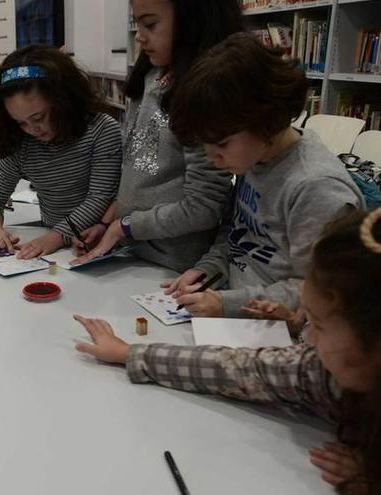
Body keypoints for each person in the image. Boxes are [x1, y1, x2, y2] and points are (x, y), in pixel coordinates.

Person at [73, 209, 381, 494]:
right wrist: (130, 353)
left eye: (321, 326)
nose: (307, 339)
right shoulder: (320, 371)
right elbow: (239, 367)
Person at [163, 33, 363, 318]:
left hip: (282, 332)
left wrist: (226, 303)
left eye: (221, 144)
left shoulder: (316, 188)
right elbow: (236, 233)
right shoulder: (254, 156)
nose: (212, 158)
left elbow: (319, 291)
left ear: (264, 119)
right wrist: (208, 270)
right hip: (236, 307)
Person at [73, 0, 242, 272]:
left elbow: (204, 206)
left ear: (193, 20)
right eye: (136, 23)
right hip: (131, 248)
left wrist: (124, 228)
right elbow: (138, 172)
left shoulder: (205, 93)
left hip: (173, 264)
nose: (139, 35)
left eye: (150, 24)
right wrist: (108, 224)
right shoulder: (152, 74)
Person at [0, 45, 122, 260]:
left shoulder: (101, 130)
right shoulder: (22, 141)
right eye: (21, 123)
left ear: (62, 99)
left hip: (102, 243)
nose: (32, 129)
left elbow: (98, 198)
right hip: (57, 246)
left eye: (38, 118)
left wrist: (54, 238)